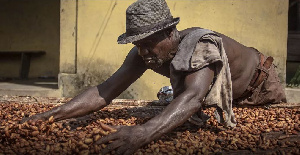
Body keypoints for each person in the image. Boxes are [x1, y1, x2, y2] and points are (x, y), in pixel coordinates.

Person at [22, 0, 286, 154]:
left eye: (149, 43)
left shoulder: (200, 45)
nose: (144, 52)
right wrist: (51, 115)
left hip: (259, 87)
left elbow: (193, 98)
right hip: (233, 94)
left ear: (171, 33)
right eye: (138, 44)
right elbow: (106, 90)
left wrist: (143, 133)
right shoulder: (143, 54)